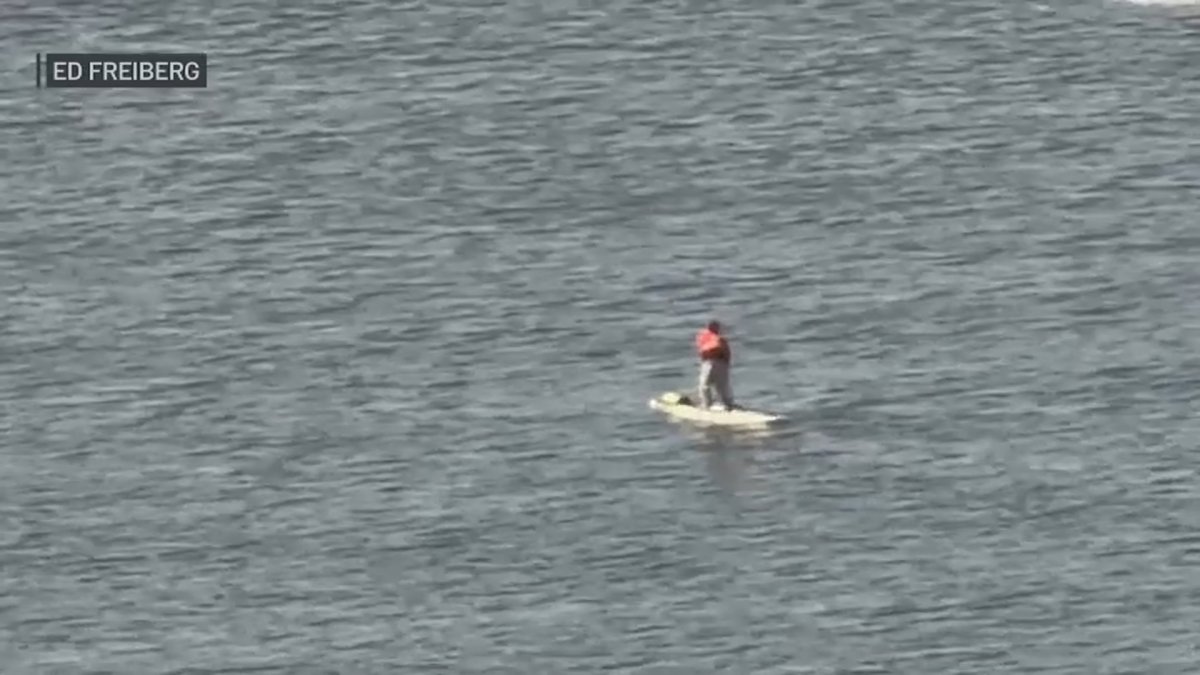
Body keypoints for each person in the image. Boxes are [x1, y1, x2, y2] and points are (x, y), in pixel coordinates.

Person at [695, 320, 735, 410]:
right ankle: (726, 404)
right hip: (716, 362)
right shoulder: (717, 339)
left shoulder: (711, 338)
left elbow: (701, 350)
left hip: (712, 362)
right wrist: (726, 363)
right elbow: (726, 352)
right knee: (719, 385)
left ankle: (708, 405)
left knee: (708, 385)